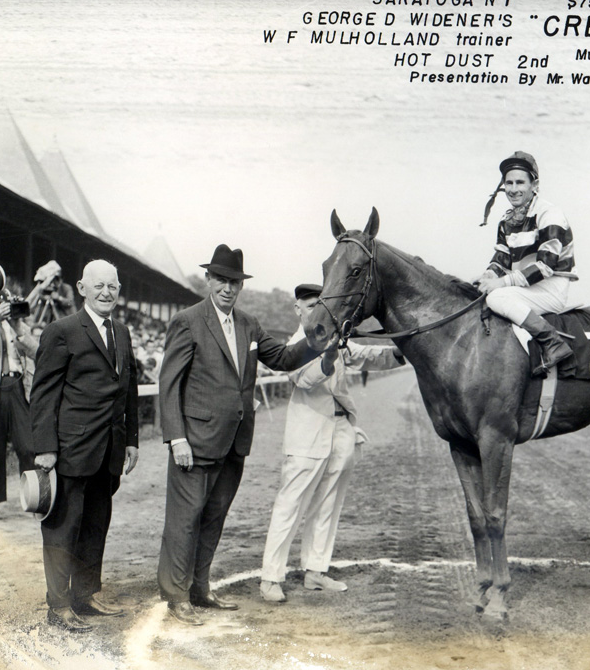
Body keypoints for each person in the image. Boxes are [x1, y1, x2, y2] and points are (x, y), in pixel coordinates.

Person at [156, 244, 321, 625]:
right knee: (184, 519)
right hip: (194, 441)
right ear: (208, 280)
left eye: (235, 282)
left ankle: (199, 587)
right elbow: (169, 384)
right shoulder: (188, 320)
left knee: (214, 517)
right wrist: (176, 438)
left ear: (241, 286)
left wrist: (317, 338)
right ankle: (176, 594)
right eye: (222, 280)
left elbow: (281, 358)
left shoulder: (249, 323)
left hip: (234, 442)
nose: (228, 288)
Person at [258, 283, 403, 603]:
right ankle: (270, 576)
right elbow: (304, 381)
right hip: (307, 431)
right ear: (297, 309)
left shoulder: (334, 337)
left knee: (328, 503)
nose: (315, 311)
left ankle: (315, 571)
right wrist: (327, 359)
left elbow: (368, 356)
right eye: (309, 306)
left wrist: (403, 349)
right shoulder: (294, 343)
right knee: (290, 504)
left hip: (341, 428)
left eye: (319, 305)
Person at [29, 260, 139, 632]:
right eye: (99, 286)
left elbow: (130, 391)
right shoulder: (61, 331)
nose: (107, 292)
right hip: (70, 450)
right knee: (63, 528)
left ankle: (86, 595)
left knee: (96, 525)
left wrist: (132, 441)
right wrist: (44, 448)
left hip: (108, 450)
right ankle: (58, 606)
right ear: (81, 288)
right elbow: (43, 394)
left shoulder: (122, 332)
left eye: (113, 286)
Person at [476, 152, 576, 378]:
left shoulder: (550, 214)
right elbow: (501, 259)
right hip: (526, 286)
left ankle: (552, 342)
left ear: (535, 185)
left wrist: (500, 284)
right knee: (480, 293)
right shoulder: (506, 220)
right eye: (508, 183)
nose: (513, 189)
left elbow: (545, 266)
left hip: (550, 286)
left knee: (496, 298)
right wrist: (488, 276)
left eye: (520, 182)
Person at [0, 264, 38, 520]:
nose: (0, 298)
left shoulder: (12, 319)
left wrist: (17, 324)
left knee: (28, 446)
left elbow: (34, 350)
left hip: (17, 385)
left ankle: (33, 498)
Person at [27, 260, 76, 328]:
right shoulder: (49, 290)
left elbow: (70, 302)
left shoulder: (66, 288)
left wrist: (58, 298)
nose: (53, 284)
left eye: (55, 280)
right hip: (54, 320)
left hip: (67, 319)